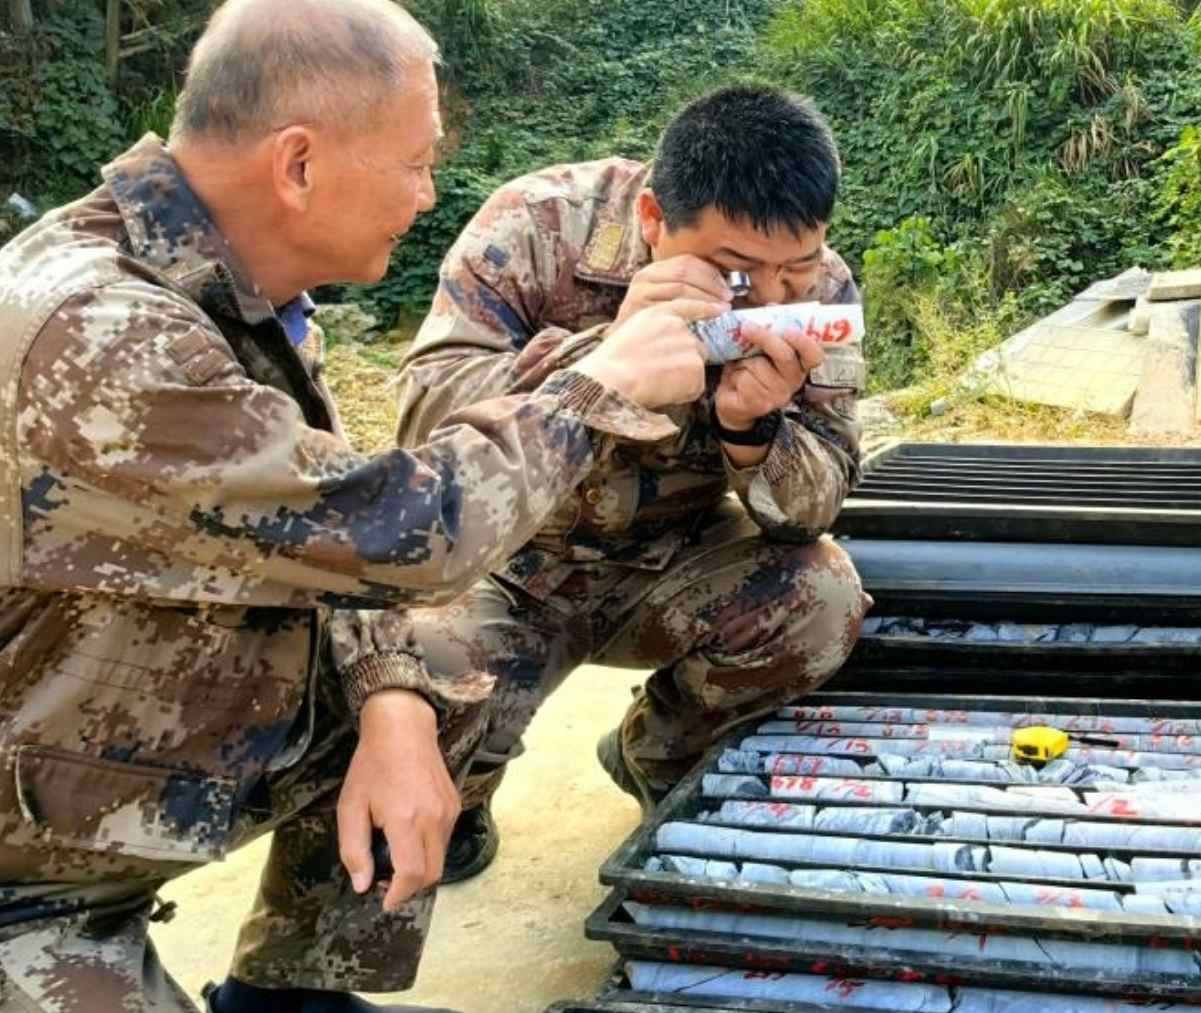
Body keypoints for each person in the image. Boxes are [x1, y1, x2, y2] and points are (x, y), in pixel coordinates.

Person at [0, 1, 746, 1010]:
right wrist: (598, 384)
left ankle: (293, 991)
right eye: (414, 162)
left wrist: (395, 703)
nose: (429, 192)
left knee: (432, 664)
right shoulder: (101, 333)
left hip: (89, 786)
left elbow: (325, 550)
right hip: (28, 879)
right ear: (298, 164)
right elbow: (398, 530)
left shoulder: (221, 289)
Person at [394, 83, 871, 882]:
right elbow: (423, 430)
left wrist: (754, 434)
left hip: (674, 558)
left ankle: (657, 751)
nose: (772, 295)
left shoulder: (820, 289)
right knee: (412, 666)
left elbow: (815, 505)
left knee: (821, 597)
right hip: (510, 559)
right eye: (736, 272)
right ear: (653, 220)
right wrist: (604, 357)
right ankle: (464, 792)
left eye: (797, 268)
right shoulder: (536, 225)